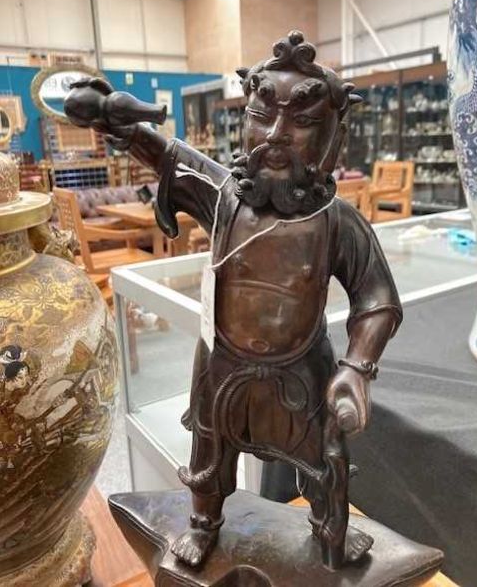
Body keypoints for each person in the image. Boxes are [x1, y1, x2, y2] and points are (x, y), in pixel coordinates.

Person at [65, 30, 402, 570]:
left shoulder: (336, 221)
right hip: (223, 359)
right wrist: (115, 121)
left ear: (335, 137)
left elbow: (377, 298)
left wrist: (357, 367)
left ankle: (330, 534)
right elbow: (166, 154)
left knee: (326, 459)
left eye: (302, 123)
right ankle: (204, 524)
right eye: (261, 117)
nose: (277, 135)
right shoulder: (223, 195)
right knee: (209, 449)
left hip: (303, 363)